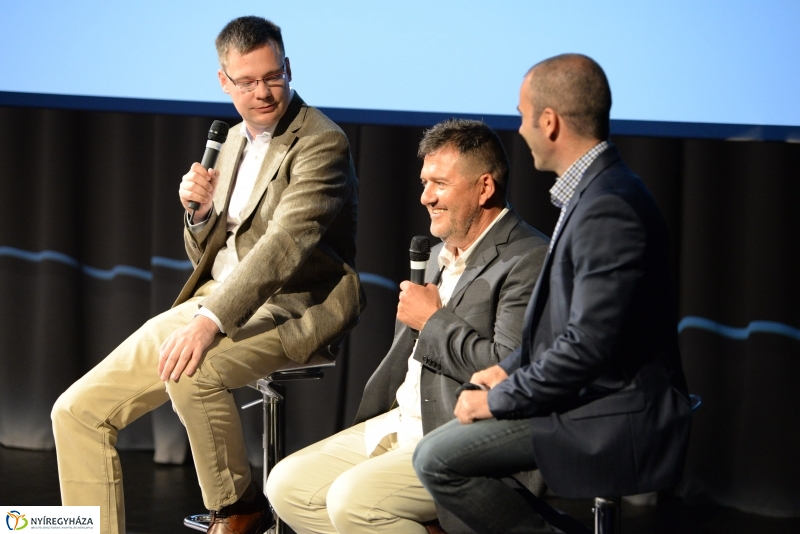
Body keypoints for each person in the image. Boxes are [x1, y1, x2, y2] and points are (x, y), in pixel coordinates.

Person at [51, 16, 364, 534]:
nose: (263, 92)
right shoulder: (233, 139)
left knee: (192, 373)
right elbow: (213, 252)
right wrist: (198, 216)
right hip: (215, 298)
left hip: (292, 306)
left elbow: (283, 247)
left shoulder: (321, 142)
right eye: (248, 81)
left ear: (288, 68)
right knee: (75, 412)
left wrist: (209, 321)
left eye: (273, 76)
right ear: (224, 81)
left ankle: (238, 506)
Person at [413, 54, 692, 533]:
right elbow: (564, 330)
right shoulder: (594, 192)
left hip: (611, 411)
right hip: (589, 394)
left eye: (523, 117)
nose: (520, 130)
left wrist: (500, 398)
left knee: (437, 459)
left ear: (549, 122)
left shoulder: (608, 205)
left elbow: (588, 346)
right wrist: (507, 369)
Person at [265, 119, 549, 534]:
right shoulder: (435, 255)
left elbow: (508, 370)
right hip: (401, 420)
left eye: (440, 184)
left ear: (484, 187)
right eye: (424, 183)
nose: (425, 197)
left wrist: (433, 321)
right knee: (287, 486)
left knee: (353, 501)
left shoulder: (528, 258)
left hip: (461, 436)